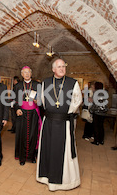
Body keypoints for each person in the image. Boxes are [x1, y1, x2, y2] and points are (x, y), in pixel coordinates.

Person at [36, 59, 82, 191]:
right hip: (49, 122)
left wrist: (67, 112)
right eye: (59, 67)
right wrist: (51, 111)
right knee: (48, 148)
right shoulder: (45, 82)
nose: (62, 69)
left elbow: (77, 99)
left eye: (64, 66)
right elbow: (42, 100)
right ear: (53, 69)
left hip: (64, 122)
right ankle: (45, 177)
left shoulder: (72, 83)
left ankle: (65, 181)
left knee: (64, 150)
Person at [14, 66, 41, 165]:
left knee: (33, 135)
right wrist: (17, 109)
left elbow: (42, 100)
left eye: (28, 72)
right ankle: (22, 157)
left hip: (33, 113)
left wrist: (38, 101)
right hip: (22, 113)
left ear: (31, 73)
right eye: (24, 72)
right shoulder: (18, 86)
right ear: (22, 74)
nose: (27, 74)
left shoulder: (37, 85)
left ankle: (31, 156)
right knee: (22, 135)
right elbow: (15, 100)